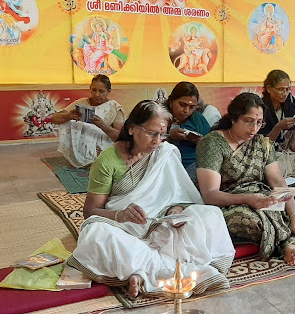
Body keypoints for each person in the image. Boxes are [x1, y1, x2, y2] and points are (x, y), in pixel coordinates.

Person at [68, 100, 235, 299]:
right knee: (96, 233)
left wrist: (177, 209)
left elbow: (180, 194)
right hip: (125, 228)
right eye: (151, 133)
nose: (158, 141)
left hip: (162, 225)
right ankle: (180, 273)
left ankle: (141, 273)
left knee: (210, 214)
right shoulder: (108, 160)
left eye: (163, 134)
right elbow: (90, 211)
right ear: (131, 129)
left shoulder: (165, 153)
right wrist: (120, 214)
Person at [196, 93, 295, 266]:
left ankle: (294, 229)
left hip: (263, 196)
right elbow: (210, 195)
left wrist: (294, 215)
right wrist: (249, 200)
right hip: (231, 202)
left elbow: (278, 182)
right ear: (233, 118)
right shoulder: (212, 143)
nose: (254, 128)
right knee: (249, 219)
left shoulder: (261, 143)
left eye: (259, 122)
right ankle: (292, 241)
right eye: (248, 121)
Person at [51, 75, 124, 168]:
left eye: (101, 91)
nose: (97, 94)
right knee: (68, 122)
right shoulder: (82, 103)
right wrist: (68, 116)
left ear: (108, 92)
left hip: (103, 150)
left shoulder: (114, 108)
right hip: (78, 152)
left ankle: (98, 159)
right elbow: (54, 118)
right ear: (90, 89)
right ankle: (82, 157)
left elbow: (121, 137)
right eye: (94, 90)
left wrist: (103, 126)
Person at [164, 82, 210, 182]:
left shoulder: (197, 119)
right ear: (171, 101)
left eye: (191, 107)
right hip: (165, 165)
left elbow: (211, 144)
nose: (186, 111)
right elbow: (147, 141)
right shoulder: (160, 116)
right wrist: (169, 136)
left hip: (193, 164)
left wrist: (200, 141)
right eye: (182, 105)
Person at [258, 69, 295, 177]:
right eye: (281, 89)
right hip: (269, 155)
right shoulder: (261, 107)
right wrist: (278, 127)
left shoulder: (289, 101)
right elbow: (263, 145)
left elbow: (292, 132)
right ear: (269, 89)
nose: (285, 94)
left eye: (287, 89)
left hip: (286, 153)